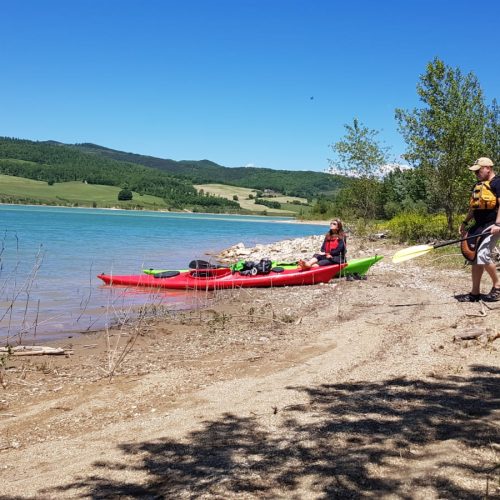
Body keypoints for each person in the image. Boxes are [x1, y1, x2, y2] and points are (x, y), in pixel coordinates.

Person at [457, 157, 500, 302]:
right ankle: (474, 293)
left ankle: (498, 286)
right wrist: (465, 222)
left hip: (493, 224)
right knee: (475, 258)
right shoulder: (478, 185)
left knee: (483, 255)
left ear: (488, 167)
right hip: (479, 226)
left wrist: (498, 224)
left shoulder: (497, 183)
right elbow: (473, 207)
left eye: (479, 171)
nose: (476, 174)